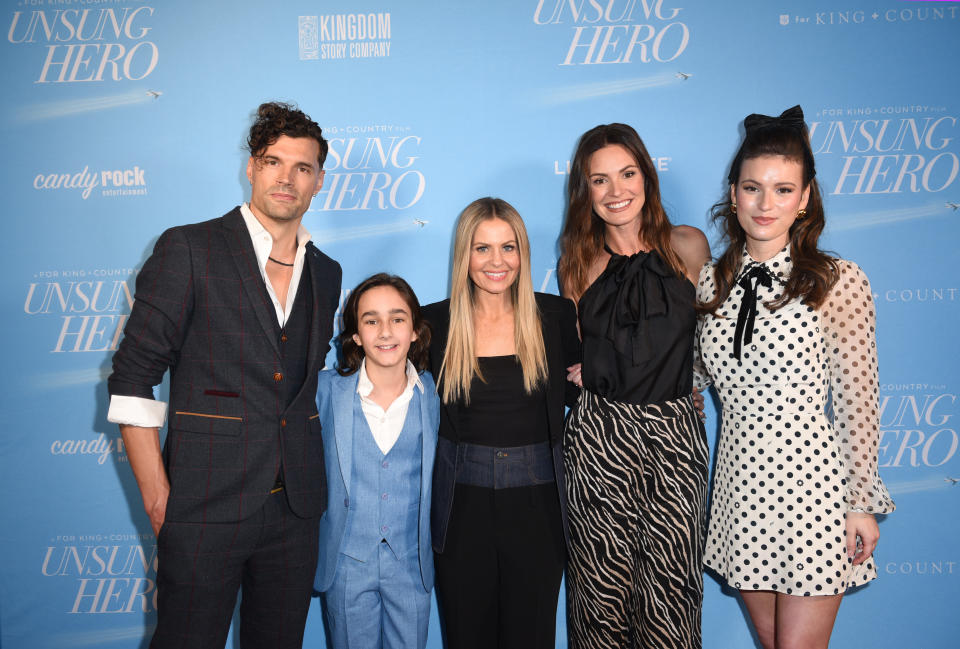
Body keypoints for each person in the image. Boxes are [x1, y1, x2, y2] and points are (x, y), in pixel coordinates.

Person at [106, 101, 341, 649]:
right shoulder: (189, 249)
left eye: (302, 167)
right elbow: (132, 377)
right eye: (273, 161)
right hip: (203, 508)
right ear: (252, 168)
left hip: (296, 511)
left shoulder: (326, 272)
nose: (287, 178)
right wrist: (159, 497)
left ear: (319, 181)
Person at [695, 105, 895, 649]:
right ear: (733, 193)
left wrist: (861, 503)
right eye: (753, 187)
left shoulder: (836, 280)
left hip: (813, 492)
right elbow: (687, 377)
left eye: (783, 190)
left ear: (805, 198)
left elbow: (859, 402)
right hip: (740, 490)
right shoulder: (712, 282)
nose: (765, 204)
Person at [558, 123, 711, 649]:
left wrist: (696, 381)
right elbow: (575, 349)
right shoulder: (577, 264)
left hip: (675, 436)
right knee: (600, 596)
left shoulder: (688, 247)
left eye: (627, 174)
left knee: (672, 593)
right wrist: (583, 369)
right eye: (600, 180)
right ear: (586, 190)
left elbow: (716, 340)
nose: (616, 190)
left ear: (647, 177)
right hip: (601, 439)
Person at [423, 197, 580, 649]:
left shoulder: (553, 316)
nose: (497, 261)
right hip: (460, 508)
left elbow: (584, 388)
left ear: (523, 253)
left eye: (508, 247)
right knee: (466, 636)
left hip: (539, 508)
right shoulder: (434, 322)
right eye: (482, 248)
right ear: (463, 255)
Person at [313, 273, 439, 649]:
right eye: (371, 320)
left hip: (411, 562)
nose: (385, 331)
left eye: (398, 319)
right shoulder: (325, 391)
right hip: (348, 561)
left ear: (415, 330)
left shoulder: (434, 392)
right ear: (355, 335)